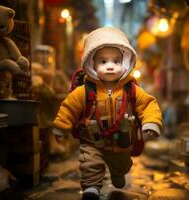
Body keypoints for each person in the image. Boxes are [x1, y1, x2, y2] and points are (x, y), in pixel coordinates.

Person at [53, 27, 163, 200]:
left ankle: (118, 173)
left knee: (122, 165)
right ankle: (91, 187)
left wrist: (152, 122)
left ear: (125, 63)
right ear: (92, 63)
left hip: (122, 141)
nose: (110, 66)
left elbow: (148, 105)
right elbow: (69, 107)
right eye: (103, 62)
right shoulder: (84, 90)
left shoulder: (131, 89)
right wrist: (61, 127)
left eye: (116, 61)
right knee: (90, 163)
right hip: (92, 140)